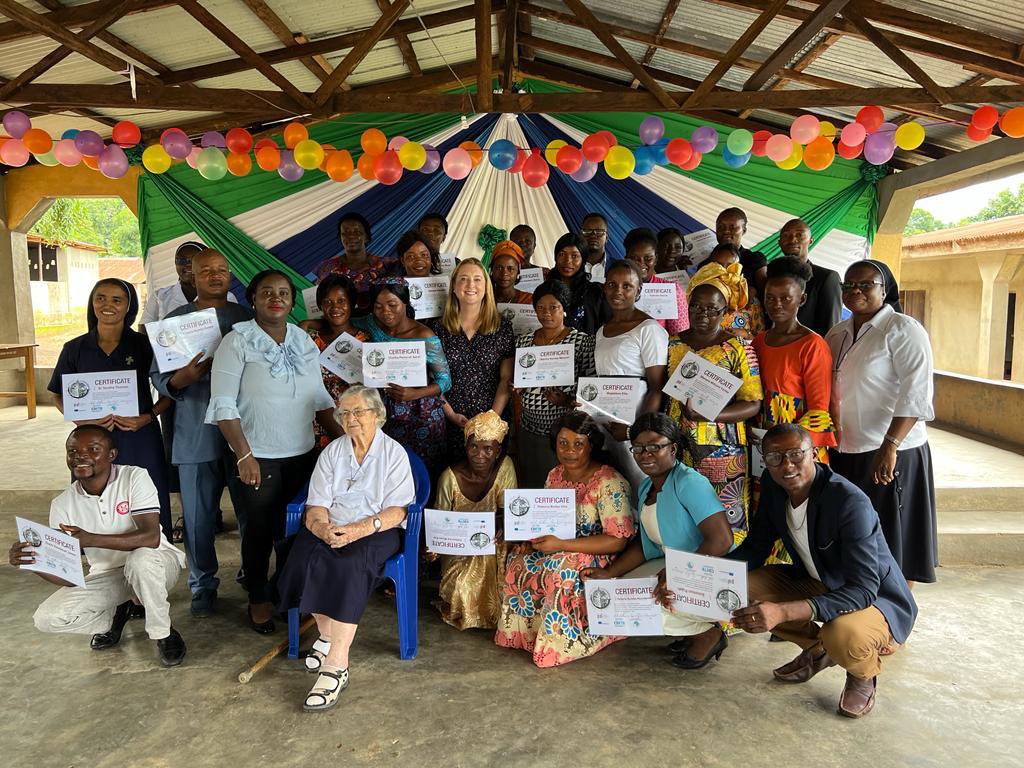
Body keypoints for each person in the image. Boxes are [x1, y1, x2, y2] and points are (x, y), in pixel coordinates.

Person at [728, 424, 918, 718]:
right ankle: (819, 648)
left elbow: (864, 588)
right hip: (818, 582)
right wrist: (706, 573)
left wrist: (784, 611)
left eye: (795, 454)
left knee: (842, 633)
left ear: (813, 454)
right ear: (764, 461)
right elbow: (757, 546)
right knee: (738, 586)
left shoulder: (848, 502)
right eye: (775, 457)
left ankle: (862, 672)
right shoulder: (772, 483)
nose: (787, 465)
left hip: (875, 597)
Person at [206, 269, 336, 633]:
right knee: (260, 531)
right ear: (253, 299)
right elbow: (223, 404)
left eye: (283, 293)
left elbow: (320, 398)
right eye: (267, 292)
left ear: (293, 302)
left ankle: (288, 593)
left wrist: (348, 441)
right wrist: (244, 455)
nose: (275, 298)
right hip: (257, 456)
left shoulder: (303, 341)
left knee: (296, 530)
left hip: (302, 454)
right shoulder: (237, 341)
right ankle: (258, 598)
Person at [276, 386, 416, 711]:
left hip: (377, 530)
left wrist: (357, 530)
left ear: (377, 415)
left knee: (350, 563)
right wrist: (322, 528)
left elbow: (398, 511)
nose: (350, 419)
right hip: (333, 526)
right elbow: (316, 505)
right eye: (345, 413)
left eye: (358, 412)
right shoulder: (333, 453)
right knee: (301, 555)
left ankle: (337, 664)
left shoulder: (393, 454)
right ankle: (326, 635)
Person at [11, 426, 187, 666]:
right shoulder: (62, 504)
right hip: (108, 575)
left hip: (156, 563)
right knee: (47, 618)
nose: (80, 456)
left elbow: (150, 537)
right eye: (72, 451)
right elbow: (69, 577)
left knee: (141, 560)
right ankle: (115, 612)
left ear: (111, 454)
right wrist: (34, 562)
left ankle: (163, 632)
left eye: (93, 450)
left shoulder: (134, 477)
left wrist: (91, 539)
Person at [583, 413, 733, 669]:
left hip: (709, 567)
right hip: (672, 563)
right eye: (639, 448)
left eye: (655, 446)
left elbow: (722, 540)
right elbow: (646, 545)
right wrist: (609, 574)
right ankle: (690, 628)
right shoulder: (646, 488)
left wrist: (676, 574)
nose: (645, 454)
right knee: (623, 594)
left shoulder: (689, 482)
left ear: (673, 448)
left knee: (649, 595)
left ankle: (709, 633)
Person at [150, 249, 254, 617]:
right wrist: (185, 378)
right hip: (194, 429)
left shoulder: (247, 317)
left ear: (230, 276)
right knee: (196, 517)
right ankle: (202, 584)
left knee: (249, 512)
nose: (215, 276)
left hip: (244, 434)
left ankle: (252, 573)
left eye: (222, 270)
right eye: (206, 270)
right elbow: (160, 379)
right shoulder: (175, 322)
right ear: (191, 276)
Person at [826, 260, 937, 587]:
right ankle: (862, 606)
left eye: (866, 284)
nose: (855, 291)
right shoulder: (837, 333)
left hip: (889, 451)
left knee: (894, 539)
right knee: (855, 534)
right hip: (846, 450)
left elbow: (916, 393)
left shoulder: (903, 330)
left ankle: (897, 616)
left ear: (884, 289)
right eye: (849, 285)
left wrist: (891, 446)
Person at [495, 411, 635, 667]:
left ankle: (561, 641)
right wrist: (530, 539)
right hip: (558, 546)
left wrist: (560, 545)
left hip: (600, 555)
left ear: (591, 445)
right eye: (563, 443)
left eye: (578, 444)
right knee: (518, 559)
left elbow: (617, 541)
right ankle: (527, 634)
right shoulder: (555, 475)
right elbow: (545, 522)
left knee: (560, 570)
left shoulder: (609, 482)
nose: (570, 451)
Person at [49, 278, 174, 539]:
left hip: (139, 436)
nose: (107, 305)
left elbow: (171, 390)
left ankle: (154, 549)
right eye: (100, 298)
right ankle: (98, 549)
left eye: (117, 300)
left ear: (129, 306)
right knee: (93, 494)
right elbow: (58, 395)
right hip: (91, 440)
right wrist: (81, 424)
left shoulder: (144, 345)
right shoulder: (74, 348)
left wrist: (147, 417)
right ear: (92, 303)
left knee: (148, 491)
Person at [666, 264, 763, 543]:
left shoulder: (739, 347)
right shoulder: (673, 343)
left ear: (725, 312)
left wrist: (711, 415)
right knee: (684, 509)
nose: (703, 314)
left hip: (722, 447)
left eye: (712, 309)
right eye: (696, 306)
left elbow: (753, 403)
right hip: (677, 443)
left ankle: (723, 573)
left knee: (723, 512)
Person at [352, 280, 451, 478]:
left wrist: (415, 393)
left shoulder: (424, 335)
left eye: (392, 305)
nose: (385, 312)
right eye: (378, 306)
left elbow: (445, 380)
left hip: (421, 414)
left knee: (422, 472)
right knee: (390, 471)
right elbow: (344, 321)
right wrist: (313, 322)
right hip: (384, 413)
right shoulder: (371, 324)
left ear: (405, 303)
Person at [434, 411, 519, 630]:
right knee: (462, 584)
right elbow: (439, 526)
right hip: (459, 550)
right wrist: (433, 548)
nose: (480, 455)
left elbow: (508, 513)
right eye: (474, 447)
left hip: (493, 545)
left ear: (498, 450)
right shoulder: (449, 478)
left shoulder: (505, 467)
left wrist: (500, 526)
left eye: (488, 448)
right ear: (465, 446)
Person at [429, 258, 514, 462]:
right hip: (449, 419)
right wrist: (450, 414)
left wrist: (491, 418)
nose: (470, 285)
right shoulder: (437, 329)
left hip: (492, 420)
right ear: (454, 288)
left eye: (477, 279)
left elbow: (506, 379)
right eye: (464, 279)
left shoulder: (502, 327)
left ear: (486, 288)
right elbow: (433, 379)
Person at [514, 279, 596, 488]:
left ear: (565, 309)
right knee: (533, 482)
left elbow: (592, 389)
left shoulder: (581, 341)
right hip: (529, 430)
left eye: (553, 307)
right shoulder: (524, 341)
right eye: (540, 308)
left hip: (565, 434)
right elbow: (519, 379)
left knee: (562, 485)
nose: (546, 313)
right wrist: (517, 386)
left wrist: (568, 401)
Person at [753, 257, 836, 460]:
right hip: (759, 439)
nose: (776, 305)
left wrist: (792, 449)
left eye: (786, 298)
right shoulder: (759, 340)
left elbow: (818, 409)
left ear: (802, 299)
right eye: (770, 298)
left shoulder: (812, 345)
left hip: (797, 444)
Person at [595, 259, 669, 487]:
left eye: (627, 286)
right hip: (605, 423)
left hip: (635, 423)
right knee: (613, 488)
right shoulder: (602, 330)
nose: (618, 291)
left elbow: (657, 388)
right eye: (611, 284)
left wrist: (635, 432)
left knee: (639, 485)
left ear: (638, 291)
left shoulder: (649, 329)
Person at [302, 274, 367, 450]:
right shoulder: (311, 340)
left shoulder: (366, 341)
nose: (335, 307)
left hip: (355, 423)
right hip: (316, 424)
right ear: (320, 305)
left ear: (352, 303)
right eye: (328, 302)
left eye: (341, 301)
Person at [139, 240, 236, 325]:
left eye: (193, 260)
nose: (187, 265)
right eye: (181, 260)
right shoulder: (160, 296)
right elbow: (144, 329)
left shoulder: (226, 297)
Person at [314, 212, 394, 313]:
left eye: (357, 232)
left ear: (366, 237)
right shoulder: (327, 268)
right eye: (346, 233)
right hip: (340, 325)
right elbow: (318, 307)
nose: (351, 236)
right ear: (341, 238)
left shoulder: (386, 265)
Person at [778, 218, 842, 337]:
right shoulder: (772, 275)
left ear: (810, 240)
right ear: (780, 242)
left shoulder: (827, 278)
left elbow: (831, 329)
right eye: (786, 235)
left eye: (799, 235)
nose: (793, 240)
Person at [623, 227, 689, 334]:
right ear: (626, 258)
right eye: (635, 259)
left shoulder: (672, 291)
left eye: (648, 258)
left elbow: (680, 336)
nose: (641, 263)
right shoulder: (617, 289)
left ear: (656, 258)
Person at [551, 232, 610, 335]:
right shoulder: (545, 289)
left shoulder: (595, 292)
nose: (568, 261)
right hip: (550, 349)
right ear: (555, 257)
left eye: (575, 256)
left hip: (586, 349)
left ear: (583, 260)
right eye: (562, 254)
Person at [704, 244, 765, 340]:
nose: (724, 271)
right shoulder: (699, 297)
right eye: (718, 266)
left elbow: (761, 338)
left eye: (731, 266)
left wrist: (746, 334)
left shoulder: (750, 300)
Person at [713, 207, 767, 297]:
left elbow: (765, 293)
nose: (726, 231)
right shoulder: (706, 262)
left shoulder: (755, 259)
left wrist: (753, 291)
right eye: (721, 227)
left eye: (732, 227)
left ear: (744, 230)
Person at [580, 212, 612, 283]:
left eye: (599, 231)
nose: (593, 235)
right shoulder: (571, 266)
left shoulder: (617, 267)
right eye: (587, 231)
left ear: (606, 237)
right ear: (581, 236)